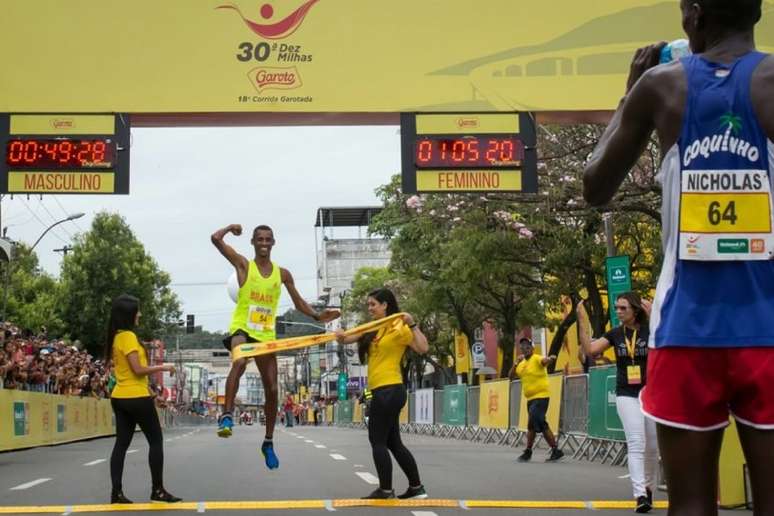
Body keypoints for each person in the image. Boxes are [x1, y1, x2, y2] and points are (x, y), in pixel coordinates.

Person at [582, 2, 774, 514]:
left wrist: (630, 93)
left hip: (685, 330)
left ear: (693, 14)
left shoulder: (660, 85)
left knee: (690, 504)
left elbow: (595, 185)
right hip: (770, 328)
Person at [211, 223, 340, 469]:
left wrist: (316, 316)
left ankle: (268, 442)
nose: (263, 243)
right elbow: (215, 239)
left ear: (273, 243)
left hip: (265, 334)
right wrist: (231, 228)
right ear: (252, 242)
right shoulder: (243, 265)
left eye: (268, 239)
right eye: (259, 239)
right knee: (239, 361)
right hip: (242, 328)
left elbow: (299, 301)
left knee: (271, 389)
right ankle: (226, 416)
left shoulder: (283, 274)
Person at [334, 288, 429, 500]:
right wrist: (340, 335)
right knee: (393, 442)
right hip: (381, 390)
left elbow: (422, 348)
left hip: (390, 389)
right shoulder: (372, 328)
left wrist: (412, 324)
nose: (369, 309)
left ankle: (385, 490)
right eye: (368, 305)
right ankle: (416, 487)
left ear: (385, 305)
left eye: (373, 305)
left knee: (377, 440)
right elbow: (348, 338)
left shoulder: (399, 327)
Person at [577, 294, 657, 513]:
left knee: (652, 447)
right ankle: (639, 494)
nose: (618, 311)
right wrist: (582, 324)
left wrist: (654, 315)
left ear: (635, 309)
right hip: (626, 393)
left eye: (623, 308)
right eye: (616, 308)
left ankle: (649, 488)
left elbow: (665, 341)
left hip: (651, 393)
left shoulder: (650, 330)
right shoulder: (615, 334)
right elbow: (591, 351)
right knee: (636, 441)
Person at [105, 294, 181, 505]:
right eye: (137, 310)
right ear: (129, 314)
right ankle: (157, 490)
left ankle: (116, 493)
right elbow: (137, 370)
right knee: (156, 441)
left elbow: (127, 372)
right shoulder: (128, 337)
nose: (140, 314)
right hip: (136, 398)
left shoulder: (117, 337)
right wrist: (164, 367)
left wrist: (149, 389)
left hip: (120, 396)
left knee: (121, 444)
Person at [510, 338, 563, 463]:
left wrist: (550, 359)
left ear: (532, 348)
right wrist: (515, 363)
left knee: (538, 421)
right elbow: (511, 376)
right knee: (532, 425)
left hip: (541, 396)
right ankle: (530, 451)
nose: (525, 348)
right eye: (522, 347)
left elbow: (544, 361)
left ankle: (553, 450)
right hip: (530, 399)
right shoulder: (521, 364)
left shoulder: (537, 358)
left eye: (527, 346)